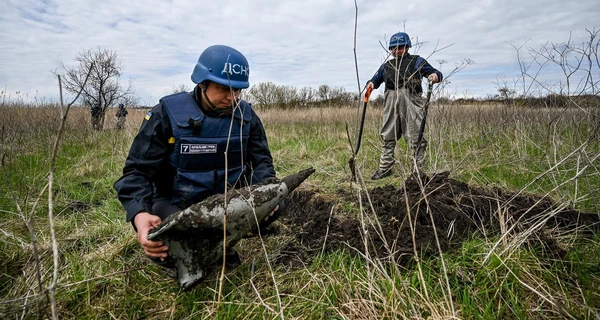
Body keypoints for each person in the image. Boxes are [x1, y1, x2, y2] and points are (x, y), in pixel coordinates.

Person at [114, 45, 283, 277]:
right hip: (178, 204)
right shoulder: (165, 114)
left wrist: (266, 192)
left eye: (238, 91)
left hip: (230, 200)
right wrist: (140, 215)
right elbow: (136, 172)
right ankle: (197, 247)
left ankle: (225, 238)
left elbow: (261, 162)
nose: (232, 98)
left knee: (278, 204)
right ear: (202, 83)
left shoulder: (247, 116)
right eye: (224, 89)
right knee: (164, 237)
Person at [365, 31, 443, 179]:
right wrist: (371, 84)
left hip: (411, 101)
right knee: (388, 135)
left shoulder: (416, 61)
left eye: (400, 47)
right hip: (390, 101)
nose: (397, 50)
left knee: (415, 136)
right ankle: (385, 168)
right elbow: (375, 79)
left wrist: (434, 76)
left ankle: (417, 172)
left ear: (407, 47)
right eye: (393, 48)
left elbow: (434, 72)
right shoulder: (386, 66)